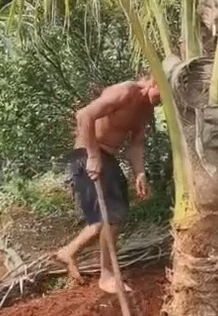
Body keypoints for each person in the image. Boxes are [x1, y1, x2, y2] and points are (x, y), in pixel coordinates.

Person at [55, 75, 161, 293]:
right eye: (165, 93)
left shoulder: (146, 109)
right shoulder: (125, 92)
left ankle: (68, 252)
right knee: (112, 215)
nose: (164, 100)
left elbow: (136, 144)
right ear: (154, 80)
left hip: (107, 158)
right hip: (86, 155)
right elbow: (84, 115)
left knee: (104, 220)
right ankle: (106, 274)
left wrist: (140, 172)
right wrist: (93, 155)